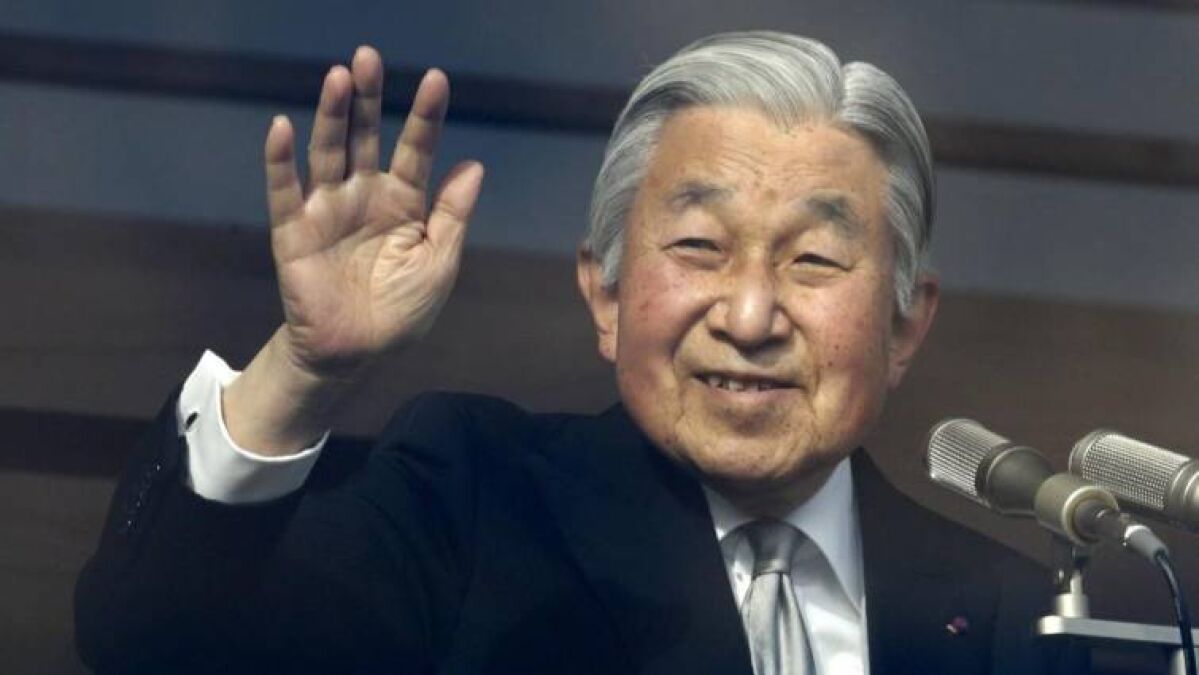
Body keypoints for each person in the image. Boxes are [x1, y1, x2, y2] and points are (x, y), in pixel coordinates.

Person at [76, 31, 1083, 674]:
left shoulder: (1013, 617)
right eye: (699, 246)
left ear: (904, 326)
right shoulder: (469, 499)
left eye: (813, 259)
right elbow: (157, 645)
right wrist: (305, 370)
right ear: (604, 293)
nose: (748, 315)